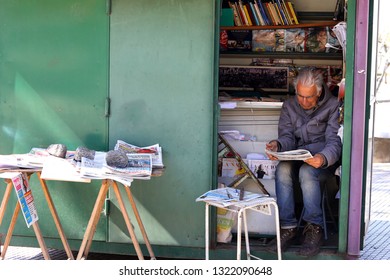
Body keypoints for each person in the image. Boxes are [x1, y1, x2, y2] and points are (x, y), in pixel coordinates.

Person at [265, 68, 342, 257]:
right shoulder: (290, 105)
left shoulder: (332, 106)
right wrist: (278, 145)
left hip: (321, 162)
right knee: (282, 168)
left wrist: (323, 158)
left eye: (309, 97)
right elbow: (287, 137)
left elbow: (334, 142)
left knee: (307, 172)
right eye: (300, 96)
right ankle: (288, 228)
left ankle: (314, 228)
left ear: (319, 92)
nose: (304, 102)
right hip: (298, 157)